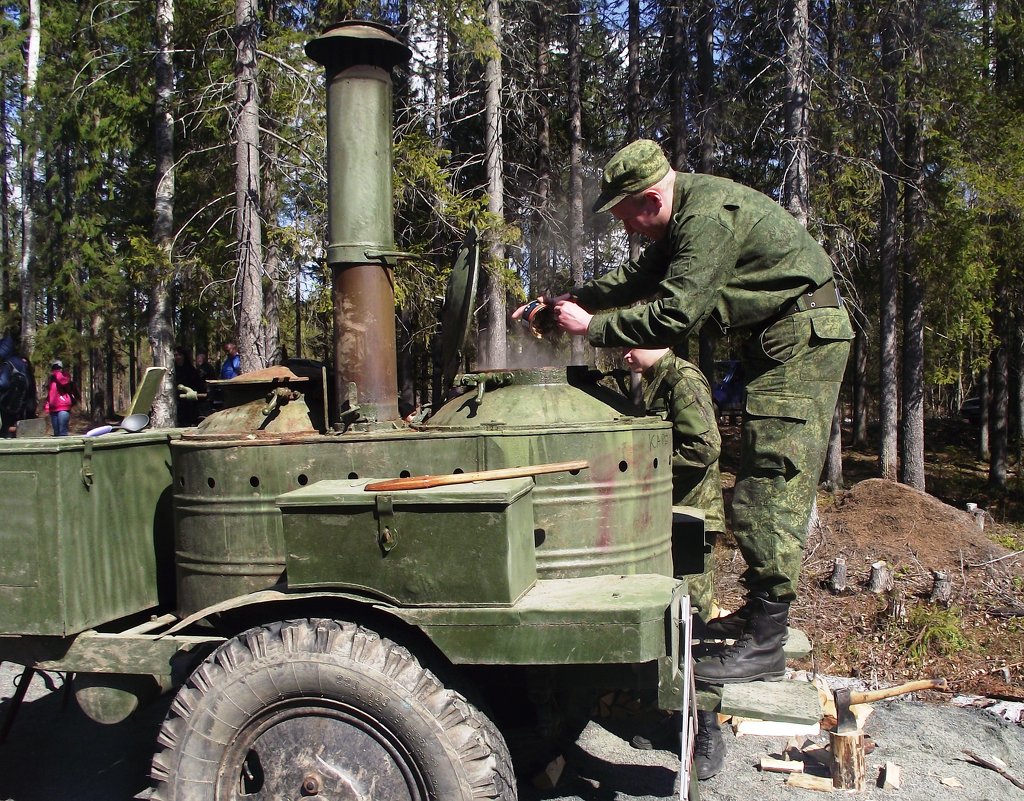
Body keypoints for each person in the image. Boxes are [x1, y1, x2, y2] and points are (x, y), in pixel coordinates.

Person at [514, 139, 853, 687]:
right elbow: (635, 283)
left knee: (766, 489)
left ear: (651, 200)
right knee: (759, 484)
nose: (629, 231)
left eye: (628, 219)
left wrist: (592, 329)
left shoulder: (706, 221)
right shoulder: (679, 220)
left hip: (803, 339)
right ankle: (762, 620)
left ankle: (766, 641)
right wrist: (564, 302)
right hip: (777, 341)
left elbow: (675, 313)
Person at [623, 345, 728, 778]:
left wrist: (648, 468)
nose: (624, 351)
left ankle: (708, 730)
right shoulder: (654, 381)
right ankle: (673, 719)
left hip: (691, 519)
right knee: (668, 619)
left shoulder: (682, 380)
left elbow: (706, 445)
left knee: (696, 622)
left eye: (633, 340)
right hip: (665, 516)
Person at [43, 359, 77, 436]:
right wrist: (47, 406)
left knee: (62, 431)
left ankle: (64, 447)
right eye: (54, 367)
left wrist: (58, 373)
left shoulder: (65, 376)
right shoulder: (51, 379)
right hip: (53, 408)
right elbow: (51, 393)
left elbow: (63, 382)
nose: (56, 369)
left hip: (63, 407)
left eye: (58, 367)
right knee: (56, 432)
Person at [173, 346, 206, 426]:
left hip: (189, 402)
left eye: (179, 355)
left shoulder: (190, 370)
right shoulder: (173, 370)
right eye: (175, 355)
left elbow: (198, 385)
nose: (177, 357)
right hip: (176, 402)